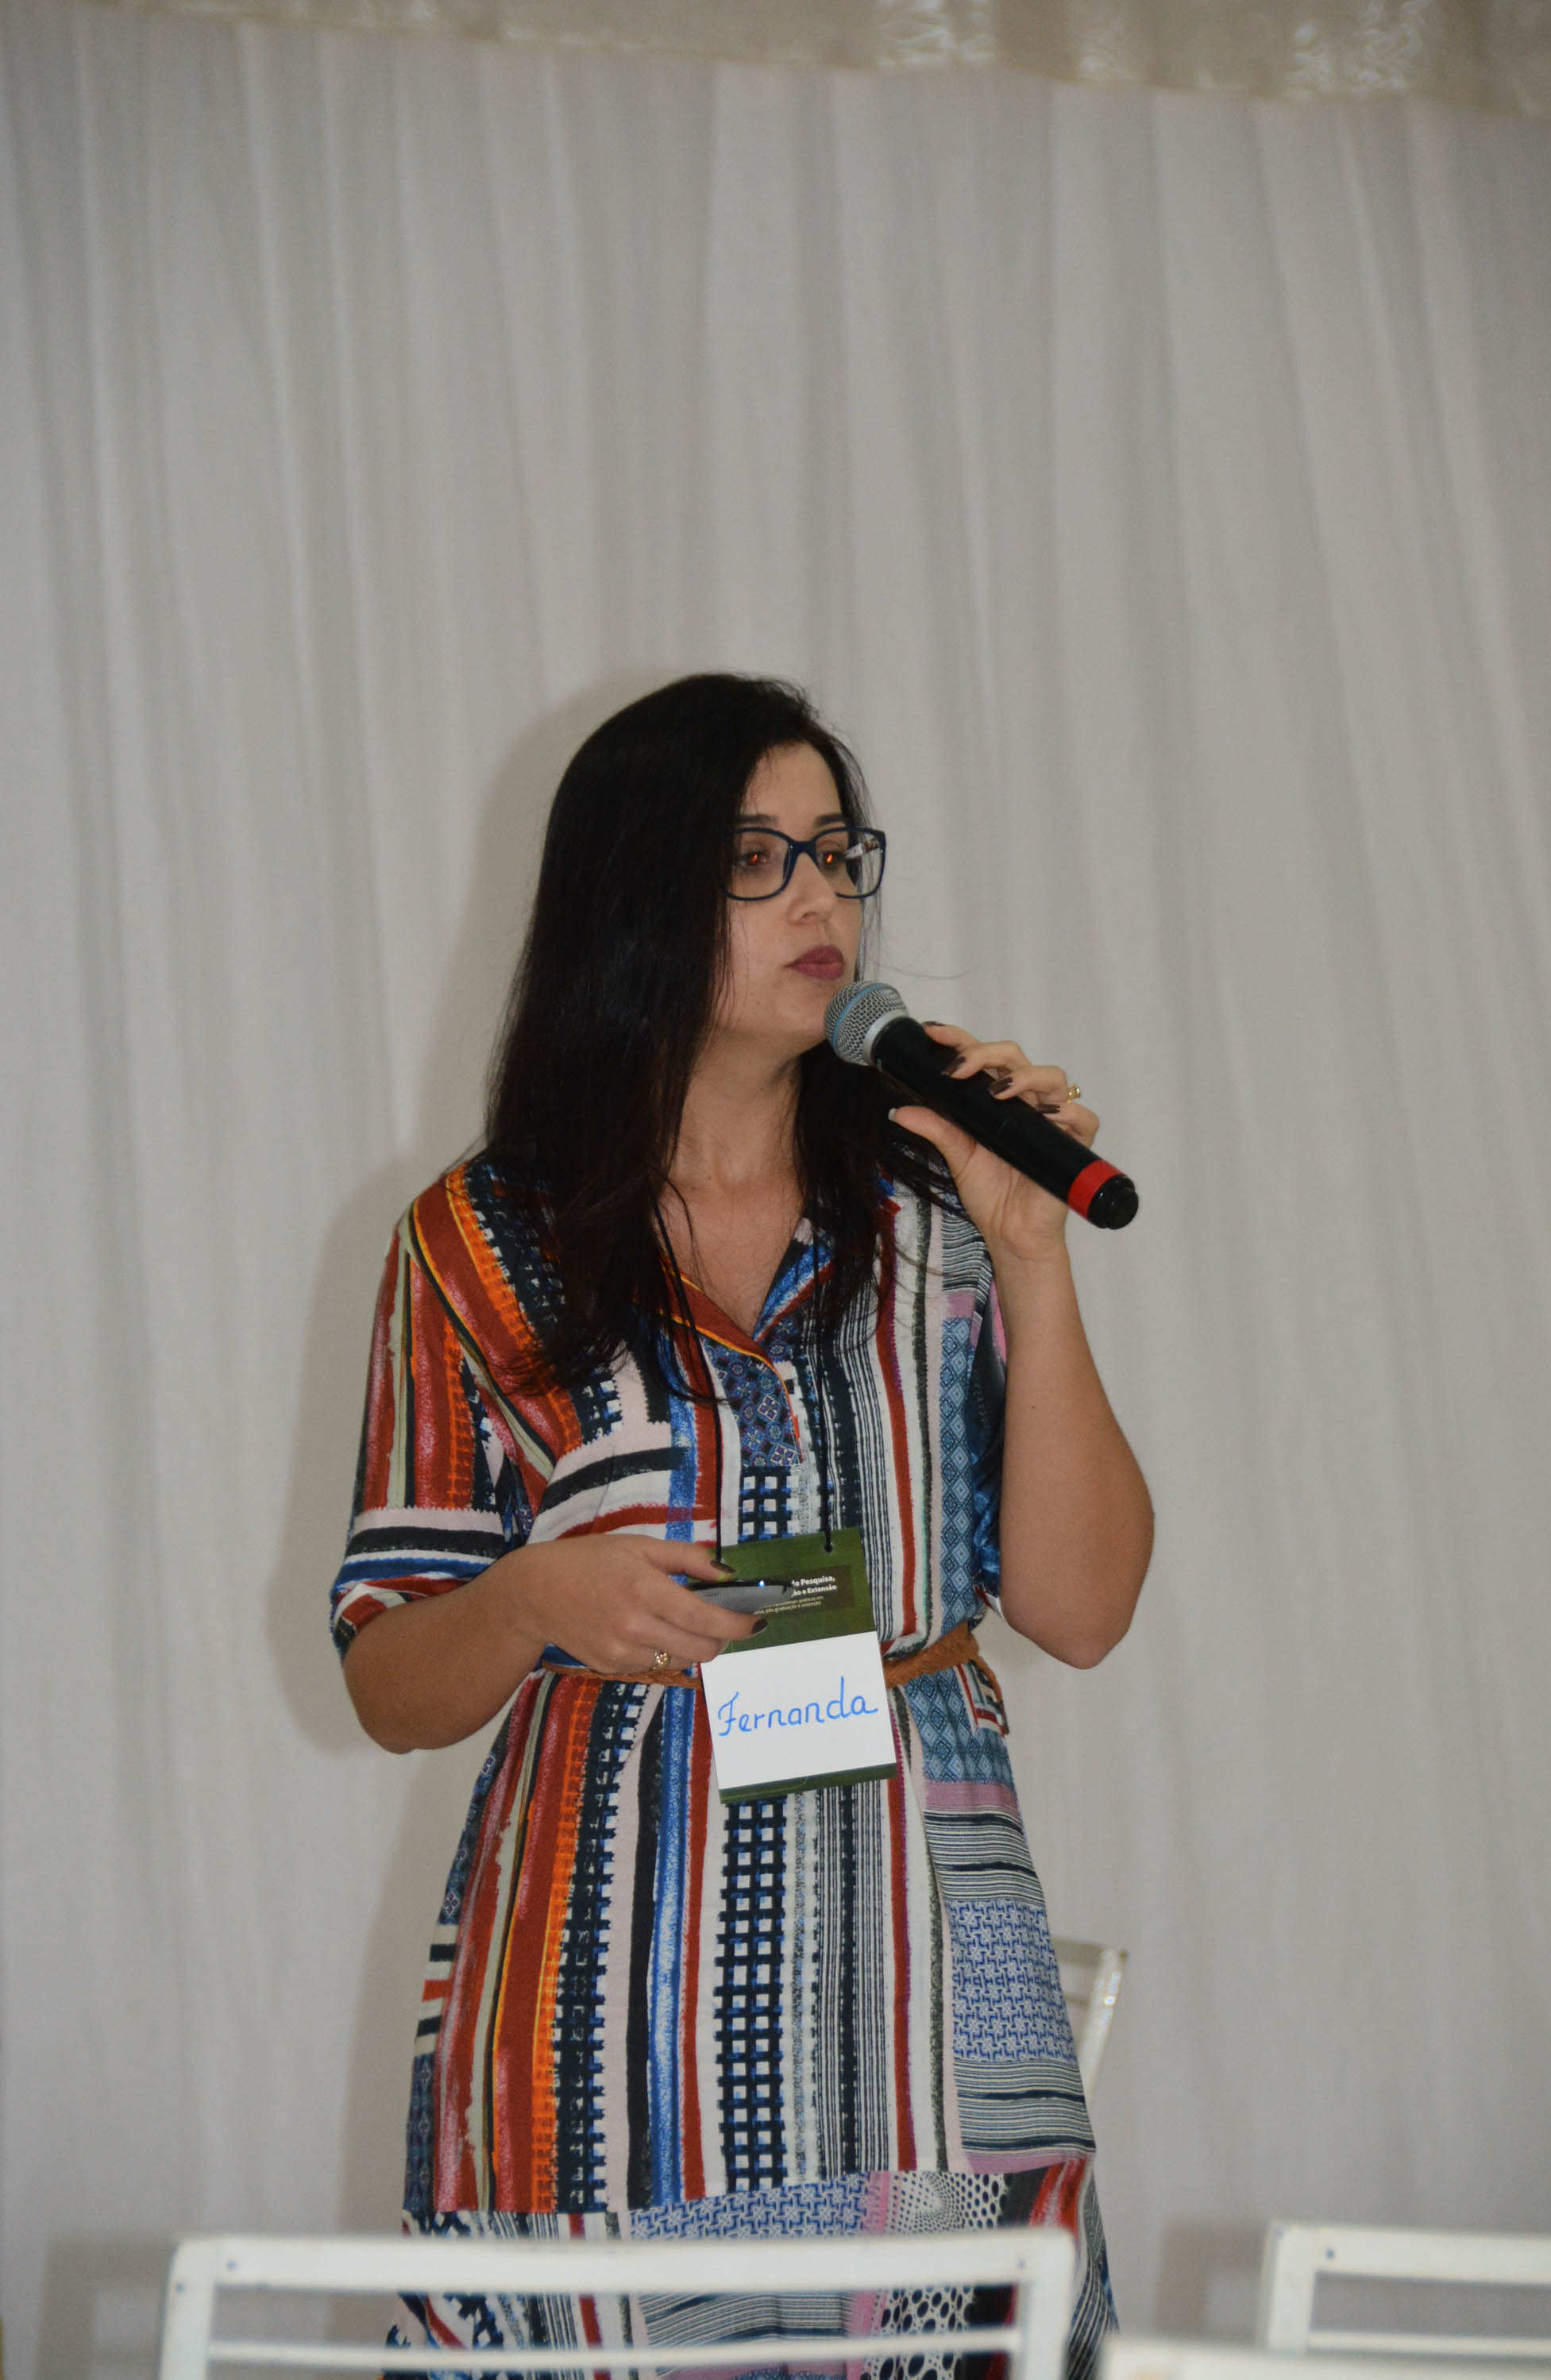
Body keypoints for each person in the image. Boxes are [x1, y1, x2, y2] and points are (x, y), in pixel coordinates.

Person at [330, 674, 1153, 2374]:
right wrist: (534, 1594)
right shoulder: (479, 1243)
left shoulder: (936, 1211)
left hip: (927, 1939)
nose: (820, 895)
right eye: (756, 856)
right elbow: (390, 1680)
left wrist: (1031, 1253)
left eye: (836, 851)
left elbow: (1079, 1609)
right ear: (633, 896)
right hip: (609, 1970)